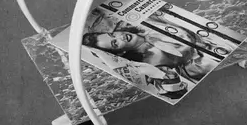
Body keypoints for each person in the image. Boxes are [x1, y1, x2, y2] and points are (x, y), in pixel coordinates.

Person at [82, 23, 215, 82]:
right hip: (207, 62)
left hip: (208, 37)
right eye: (115, 43)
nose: (120, 37)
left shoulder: (146, 27)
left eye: (113, 35)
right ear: (120, 52)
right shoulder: (148, 62)